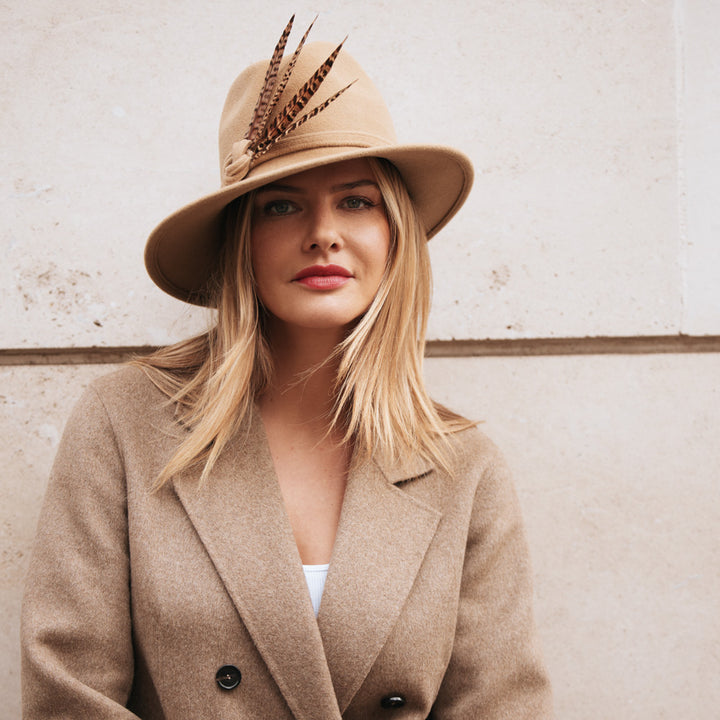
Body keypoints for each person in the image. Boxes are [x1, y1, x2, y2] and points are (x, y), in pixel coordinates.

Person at [21, 17, 553, 719]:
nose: (323, 232)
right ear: (241, 241)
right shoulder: (125, 423)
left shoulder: (463, 468)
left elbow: (499, 705)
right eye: (282, 204)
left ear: (395, 235)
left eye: (357, 200)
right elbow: (68, 694)